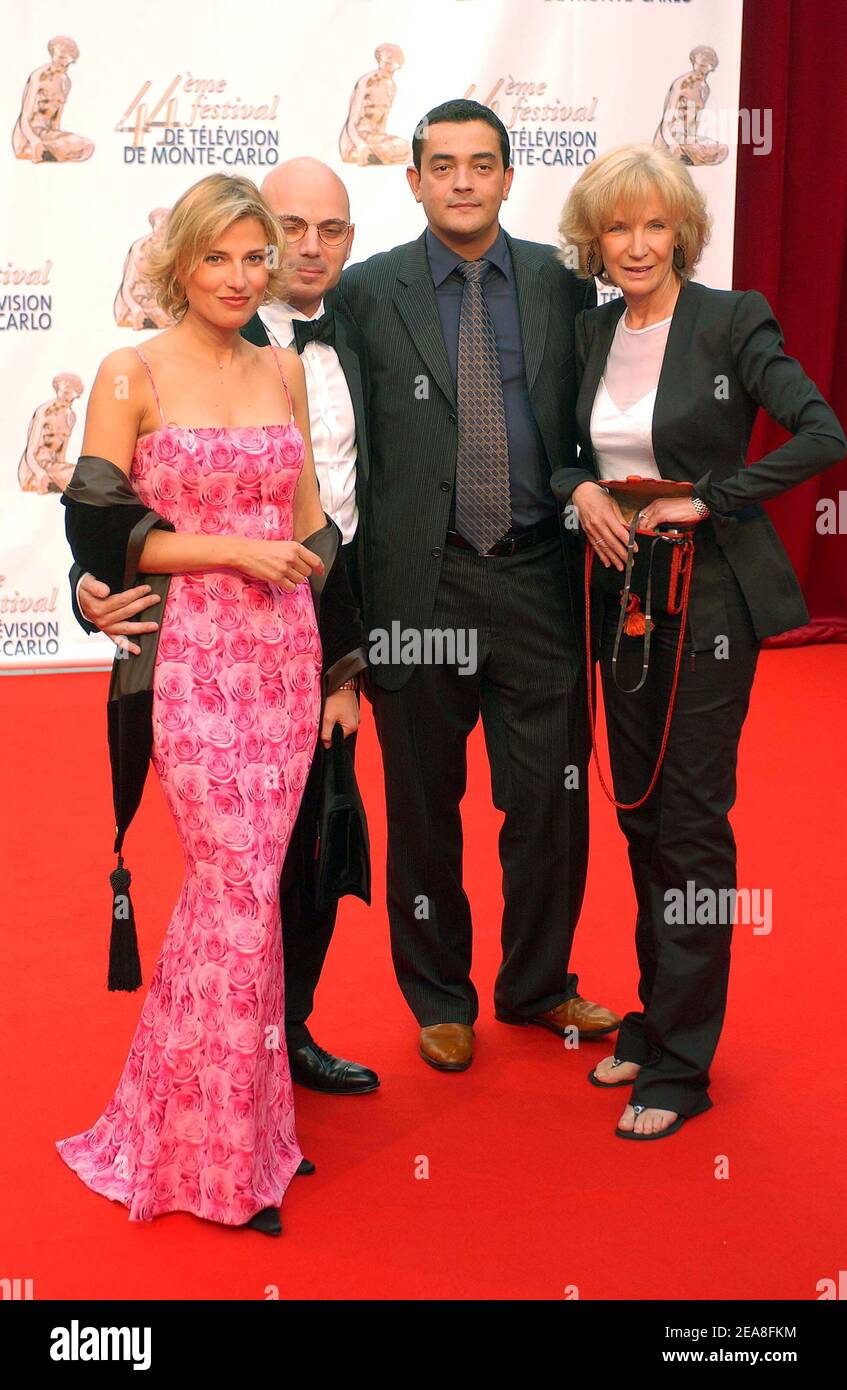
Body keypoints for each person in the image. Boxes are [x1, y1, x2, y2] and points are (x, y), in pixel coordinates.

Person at [55, 173, 365, 1233]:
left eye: (255, 256)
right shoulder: (129, 370)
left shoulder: (284, 367)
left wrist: (335, 649)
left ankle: (229, 1127)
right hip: (186, 660)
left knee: (248, 895)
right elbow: (98, 515)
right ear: (179, 262)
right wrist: (226, 552)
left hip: (283, 658)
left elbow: (317, 526)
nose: (239, 276)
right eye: (218, 256)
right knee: (232, 886)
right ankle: (212, 1152)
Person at [553, 143, 846, 1138]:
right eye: (616, 227)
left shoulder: (729, 320)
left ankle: (682, 1064)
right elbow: (561, 453)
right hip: (621, 599)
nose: (634, 244)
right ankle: (651, 1014)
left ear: (680, 228)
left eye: (652, 224)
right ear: (594, 239)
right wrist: (579, 489)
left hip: (711, 600)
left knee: (689, 822)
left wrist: (706, 500)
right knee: (637, 812)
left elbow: (820, 432)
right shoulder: (590, 331)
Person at [337, 98, 620, 1071]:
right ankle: (438, 995)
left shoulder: (559, 282)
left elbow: (599, 415)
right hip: (422, 585)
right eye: (443, 164)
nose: (462, 180)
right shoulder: (365, 292)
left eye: (482, 164)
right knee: (423, 803)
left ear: (507, 177)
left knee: (550, 799)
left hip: (539, 577)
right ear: (413, 179)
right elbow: (344, 448)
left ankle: (538, 982)